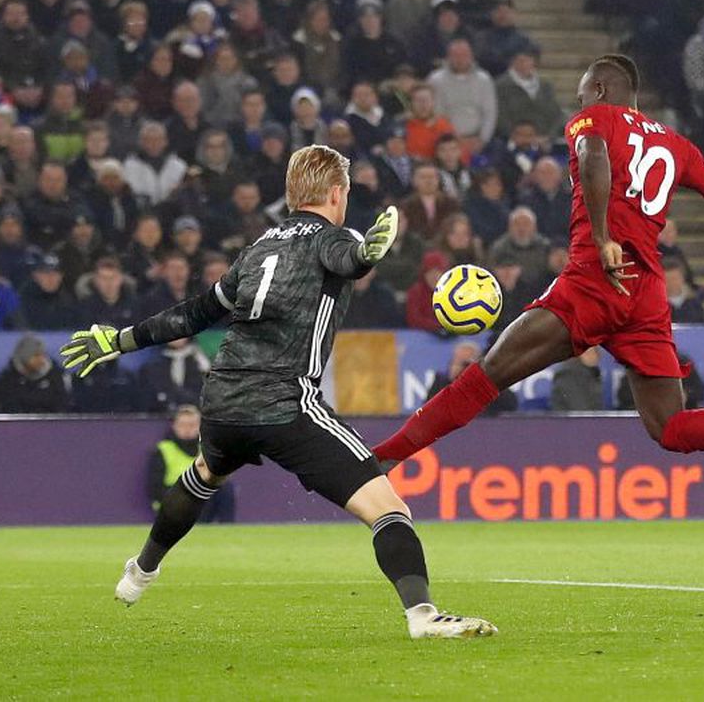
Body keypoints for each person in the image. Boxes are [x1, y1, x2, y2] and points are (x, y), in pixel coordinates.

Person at [59, 144, 494, 639]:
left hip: (222, 400)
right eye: (345, 191)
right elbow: (345, 257)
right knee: (389, 509)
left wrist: (120, 339)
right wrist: (364, 254)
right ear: (336, 192)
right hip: (285, 400)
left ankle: (140, 571)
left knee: (204, 473)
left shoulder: (260, 247)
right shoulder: (333, 237)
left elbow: (199, 311)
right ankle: (423, 617)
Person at [371, 53, 704, 475]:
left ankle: (381, 460)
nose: (579, 103)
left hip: (595, 279)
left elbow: (592, 155)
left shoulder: (594, 119)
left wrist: (603, 237)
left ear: (601, 89)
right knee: (670, 428)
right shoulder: (676, 145)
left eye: (583, 94)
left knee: (485, 378)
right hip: (645, 295)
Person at [147, 405, 235, 521]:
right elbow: (155, 486)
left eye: (192, 425)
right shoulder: (163, 450)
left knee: (224, 486)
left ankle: (226, 527)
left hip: (202, 500)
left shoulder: (207, 450)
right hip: (174, 499)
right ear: (174, 426)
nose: (187, 429)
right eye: (182, 425)